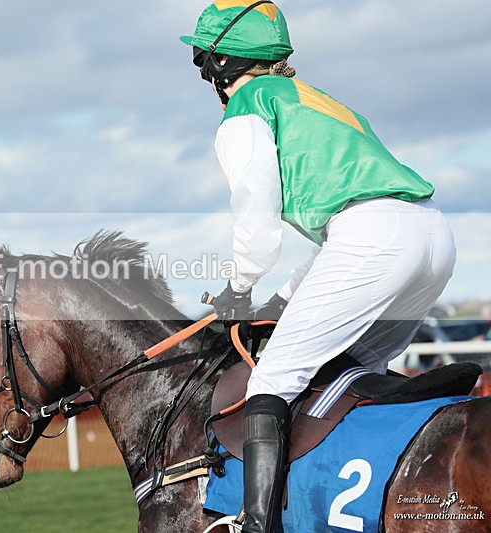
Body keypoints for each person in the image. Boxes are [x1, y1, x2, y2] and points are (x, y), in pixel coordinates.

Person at [181, 2, 456, 532]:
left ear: (215, 64)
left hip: (373, 241)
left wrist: (238, 291)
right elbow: (344, 232)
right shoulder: (321, 100)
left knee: (274, 382)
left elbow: (256, 218)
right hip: (431, 237)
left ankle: (257, 524)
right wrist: (282, 303)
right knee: (348, 372)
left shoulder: (244, 110)